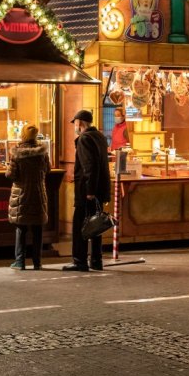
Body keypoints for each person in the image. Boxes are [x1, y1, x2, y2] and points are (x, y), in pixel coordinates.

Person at [64, 109, 110, 272]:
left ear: (80, 124)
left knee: (80, 226)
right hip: (99, 190)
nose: (75, 127)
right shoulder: (100, 137)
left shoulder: (84, 139)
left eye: (75, 124)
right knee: (96, 225)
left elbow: (89, 167)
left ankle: (79, 261)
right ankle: (96, 261)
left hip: (87, 192)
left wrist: (89, 191)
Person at [6, 124, 50, 270]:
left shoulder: (16, 153)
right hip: (38, 193)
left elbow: (11, 175)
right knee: (37, 229)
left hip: (21, 194)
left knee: (21, 229)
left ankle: (20, 262)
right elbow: (47, 169)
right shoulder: (42, 153)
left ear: (23, 135)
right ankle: (37, 262)